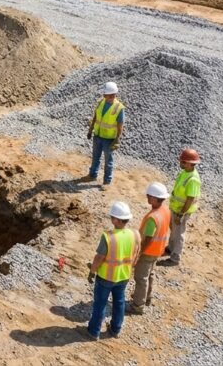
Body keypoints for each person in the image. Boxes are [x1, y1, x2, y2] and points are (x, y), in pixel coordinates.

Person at [84, 201, 140, 340]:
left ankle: (93, 331)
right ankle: (115, 329)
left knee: (100, 304)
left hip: (106, 277)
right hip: (123, 276)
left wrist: (92, 271)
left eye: (112, 217)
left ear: (116, 219)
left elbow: (99, 257)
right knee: (119, 302)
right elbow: (136, 254)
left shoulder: (108, 237)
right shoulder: (134, 234)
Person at [128, 182, 171, 314]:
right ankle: (147, 297)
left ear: (154, 198)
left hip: (148, 251)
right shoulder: (165, 210)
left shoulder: (153, 218)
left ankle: (138, 306)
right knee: (150, 274)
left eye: (149, 196)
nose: (147, 197)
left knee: (141, 278)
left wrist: (140, 252)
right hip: (158, 250)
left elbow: (148, 238)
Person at [159, 148, 201, 267]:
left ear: (190, 163)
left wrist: (181, 214)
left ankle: (175, 258)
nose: (180, 163)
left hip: (182, 211)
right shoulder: (185, 172)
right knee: (173, 228)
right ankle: (171, 248)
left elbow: (190, 199)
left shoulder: (193, 180)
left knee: (179, 233)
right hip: (176, 208)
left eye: (183, 162)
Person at [86, 81, 125, 185]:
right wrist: (90, 130)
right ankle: (92, 175)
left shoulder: (119, 108)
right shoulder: (101, 102)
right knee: (95, 157)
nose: (112, 97)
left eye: (113, 95)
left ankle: (107, 181)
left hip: (108, 139)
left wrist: (117, 140)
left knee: (108, 161)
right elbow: (95, 117)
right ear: (104, 95)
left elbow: (120, 125)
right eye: (109, 95)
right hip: (98, 135)